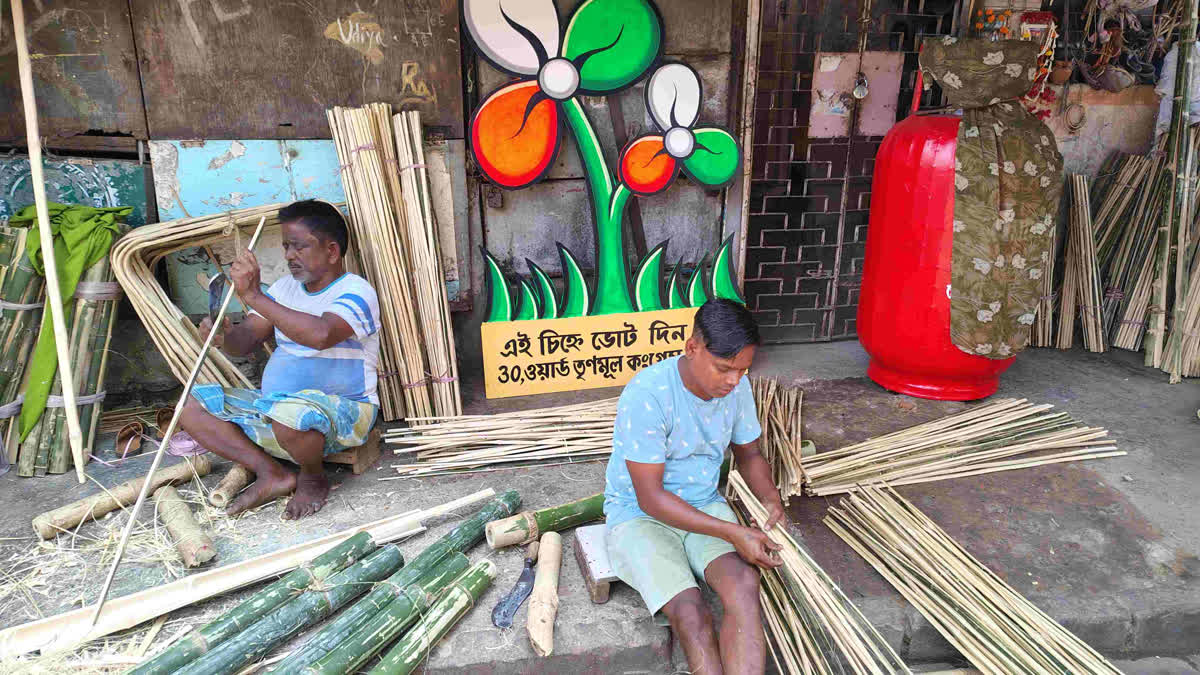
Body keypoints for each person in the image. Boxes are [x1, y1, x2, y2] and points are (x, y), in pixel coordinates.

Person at [604, 298, 784, 675]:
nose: (734, 380)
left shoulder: (737, 388)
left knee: (743, 586)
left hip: (704, 505)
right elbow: (651, 499)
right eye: (725, 368)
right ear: (692, 348)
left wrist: (770, 499)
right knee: (690, 612)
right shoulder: (648, 394)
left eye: (743, 370)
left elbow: (749, 453)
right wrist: (733, 532)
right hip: (639, 516)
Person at [178, 200, 380, 520]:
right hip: (277, 411)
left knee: (288, 414)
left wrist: (254, 295)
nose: (289, 255)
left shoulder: (356, 291)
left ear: (332, 251)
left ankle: (313, 478)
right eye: (286, 246)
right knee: (191, 408)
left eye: (299, 246)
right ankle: (272, 473)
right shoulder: (285, 289)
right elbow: (245, 341)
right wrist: (223, 336)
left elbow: (321, 334)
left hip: (345, 414)